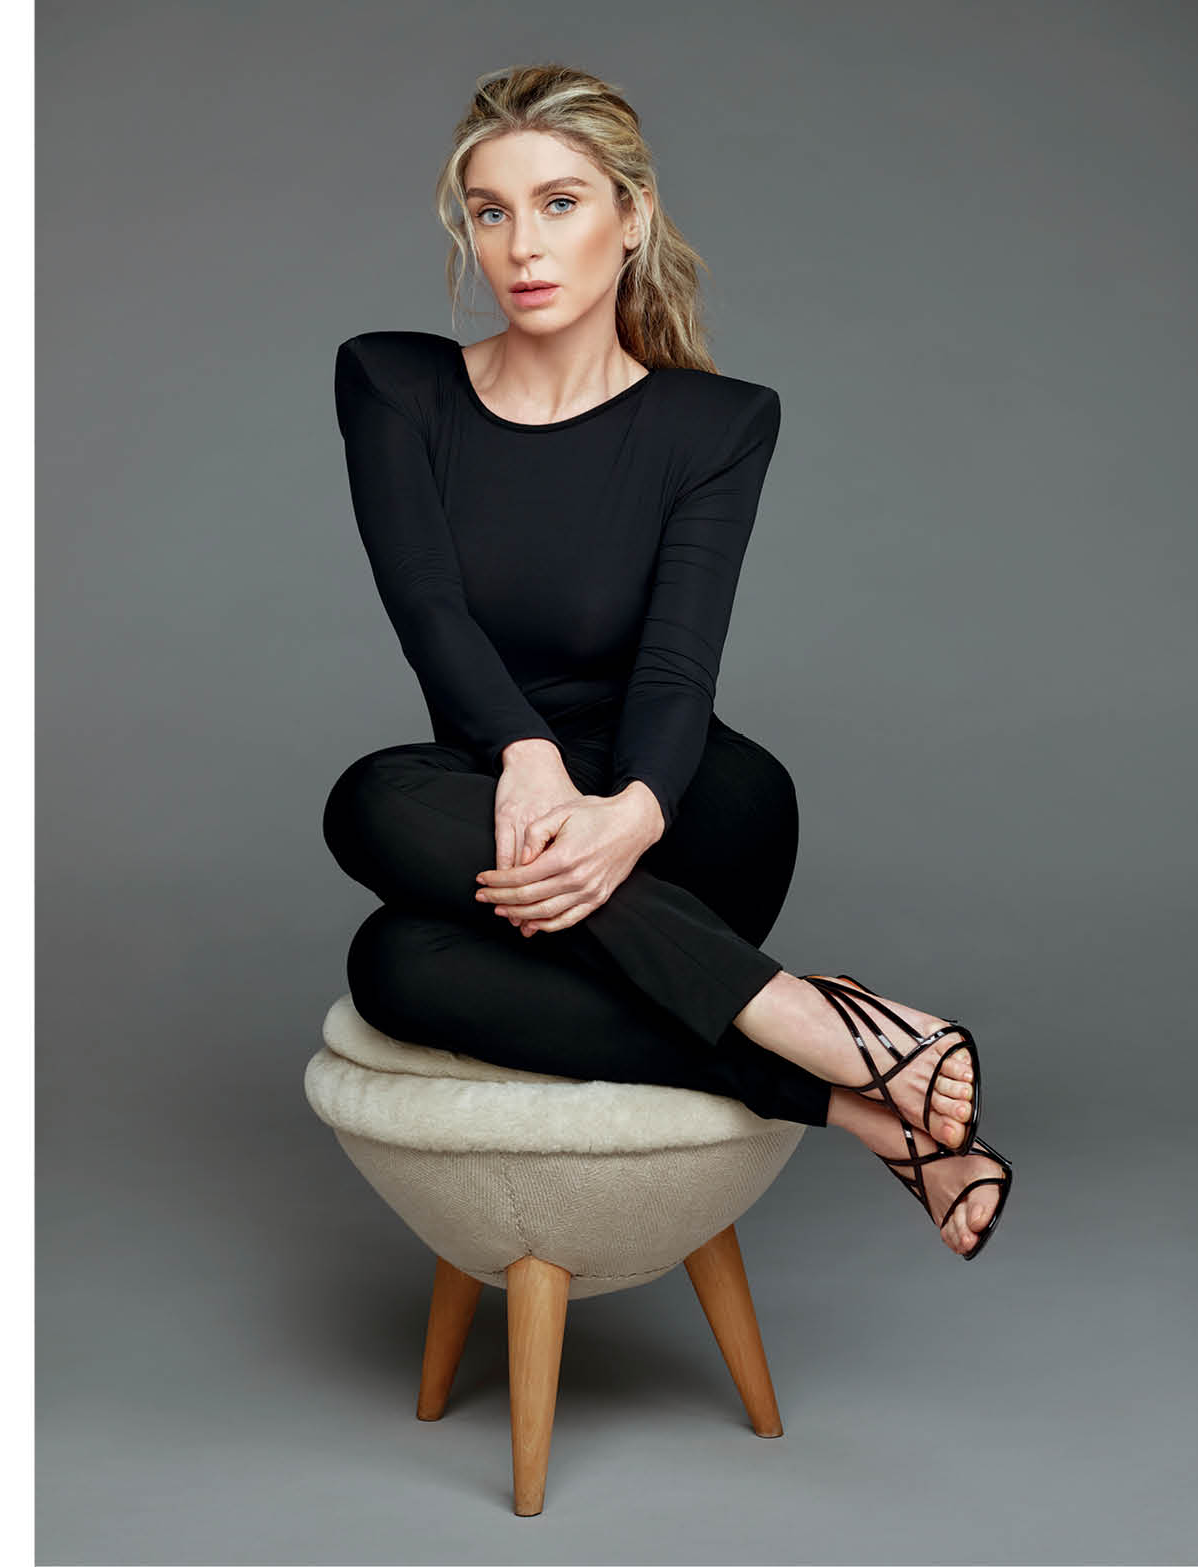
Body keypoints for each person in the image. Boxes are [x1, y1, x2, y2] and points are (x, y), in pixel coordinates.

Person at [321, 64, 1013, 1260]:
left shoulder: (715, 421)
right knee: (386, 913)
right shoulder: (395, 384)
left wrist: (631, 813)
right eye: (490, 212)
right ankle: (840, 1069)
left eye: (559, 203)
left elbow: (676, 668)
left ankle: (794, 1018)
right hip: (496, 796)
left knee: (631, 814)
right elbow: (429, 611)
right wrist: (529, 759)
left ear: (629, 218)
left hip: (680, 809)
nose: (520, 246)